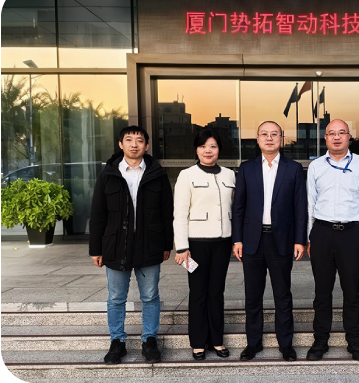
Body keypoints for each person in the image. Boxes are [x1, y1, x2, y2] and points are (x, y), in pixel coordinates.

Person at [89, 125, 174, 365]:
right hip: (116, 244)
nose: (134, 144)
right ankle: (117, 342)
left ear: (147, 146)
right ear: (121, 144)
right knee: (116, 297)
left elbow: (167, 213)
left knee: (150, 296)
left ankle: (150, 340)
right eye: (129, 140)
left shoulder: (157, 174)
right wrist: (96, 248)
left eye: (139, 140)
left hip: (150, 244)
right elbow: (98, 214)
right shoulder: (108, 174)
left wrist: (166, 244)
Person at [232, 121, 308, 362]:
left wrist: (300, 240)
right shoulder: (247, 168)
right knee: (253, 296)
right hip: (252, 240)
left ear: (281, 139)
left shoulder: (293, 168)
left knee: (282, 294)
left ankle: (286, 344)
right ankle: (253, 343)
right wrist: (237, 239)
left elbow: (300, 207)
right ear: (257, 139)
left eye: (274, 134)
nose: (269, 138)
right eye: (264, 134)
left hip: (281, 240)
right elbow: (238, 207)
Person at [306, 119, 359, 362]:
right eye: (332, 133)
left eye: (341, 133)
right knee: (322, 291)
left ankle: (354, 341)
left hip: (351, 234)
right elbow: (309, 204)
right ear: (325, 138)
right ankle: (320, 339)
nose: (336, 137)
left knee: (351, 291)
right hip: (322, 232)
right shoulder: (316, 166)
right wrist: (309, 237)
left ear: (349, 137)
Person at [172, 129, 236, 361]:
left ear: (219, 149)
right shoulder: (186, 175)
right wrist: (181, 247)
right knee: (198, 292)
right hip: (196, 245)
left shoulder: (230, 175)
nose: (208, 151)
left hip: (222, 243)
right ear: (196, 150)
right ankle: (198, 343)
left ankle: (217, 340)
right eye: (203, 146)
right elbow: (180, 214)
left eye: (213, 146)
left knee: (216, 292)